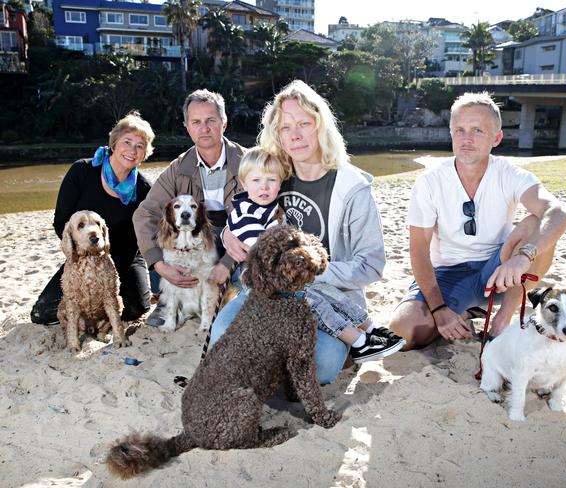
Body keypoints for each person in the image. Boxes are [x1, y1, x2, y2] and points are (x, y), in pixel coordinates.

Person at [217, 80, 398, 384]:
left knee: (323, 365)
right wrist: (227, 234)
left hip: (328, 299)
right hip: (267, 292)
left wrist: (304, 273)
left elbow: (371, 265)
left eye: (305, 123)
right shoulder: (273, 174)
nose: (296, 135)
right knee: (223, 337)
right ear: (277, 133)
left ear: (321, 127)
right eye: (287, 127)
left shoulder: (353, 188)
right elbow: (243, 214)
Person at [389, 92, 566, 349]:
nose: (467, 139)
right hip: (448, 274)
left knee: (536, 223)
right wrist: (439, 310)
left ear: (496, 138)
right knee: (403, 333)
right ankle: (465, 310)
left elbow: (558, 213)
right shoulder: (429, 182)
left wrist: (523, 256)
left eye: (477, 130)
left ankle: (503, 318)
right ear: (451, 133)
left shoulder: (510, 174)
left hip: (498, 270)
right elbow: (418, 250)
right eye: (460, 130)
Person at [210, 146, 405, 364]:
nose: (264, 187)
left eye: (271, 181)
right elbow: (263, 251)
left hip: (289, 276)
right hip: (268, 283)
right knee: (315, 302)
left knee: (329, 293)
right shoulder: (247, 213)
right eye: (256, 181)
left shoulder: (268, 205)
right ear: (244, 184)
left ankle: (370, 328)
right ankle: (359, 342)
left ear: (280, 181)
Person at [132, 89, 245, 326]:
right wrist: (159, 264)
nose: (204, 128)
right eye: (196, 122)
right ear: (187, 127)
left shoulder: (248, 163)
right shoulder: (178, 168)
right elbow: (145, 214)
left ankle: (227, 297)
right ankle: (169, 301)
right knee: (166, 249)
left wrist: (226, 263)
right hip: (196, 246)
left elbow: (258, 220)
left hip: (235, 247)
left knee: (246, 279)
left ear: (223, 123)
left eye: (210, 121)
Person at [31, 111, 155, 325]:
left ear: (144, 154)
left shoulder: (144, 189)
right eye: (127, 141)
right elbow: (61, 222)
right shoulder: (82, 171)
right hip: (83, 255)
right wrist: (80, 254)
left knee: (136, 308)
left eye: (140, 145)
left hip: (124, 258)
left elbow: (142, 238)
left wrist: (108, 268)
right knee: (42, 314)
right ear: (114, 143)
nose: (132, 150)